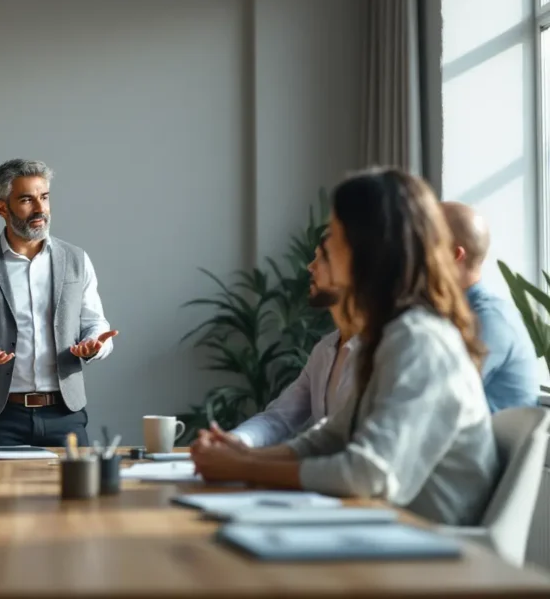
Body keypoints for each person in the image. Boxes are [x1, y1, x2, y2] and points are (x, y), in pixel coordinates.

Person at [191, 168, 499, 526]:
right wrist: (243, 456)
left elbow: (369, 473)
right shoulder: (388, 334)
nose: (322, 248)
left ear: (367, 248)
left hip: (428, 552)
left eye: (335, 233)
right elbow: (332, 437)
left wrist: (243, 466)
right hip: (381, 532)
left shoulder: (420, 341)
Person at [0, 159, 118, 447]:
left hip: (66, 414)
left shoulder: (77, 259)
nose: (40, 209)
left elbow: (96, 323)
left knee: (76, 492)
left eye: (44, 197)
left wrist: (94, 344)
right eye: (26, 200)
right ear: (2, 208)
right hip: (0, 418)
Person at [228, 234, 359, 447]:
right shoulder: (324, 350)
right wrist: (233, 441)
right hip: (320, 477)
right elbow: (279, 417)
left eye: (322, 258)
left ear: (348, 271)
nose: (310, 266)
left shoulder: (382, 350)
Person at [441, 201, 539, 412]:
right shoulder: (447, 313)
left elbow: (434, 398)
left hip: (477, 444)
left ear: (454, 255)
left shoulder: (489, 319)